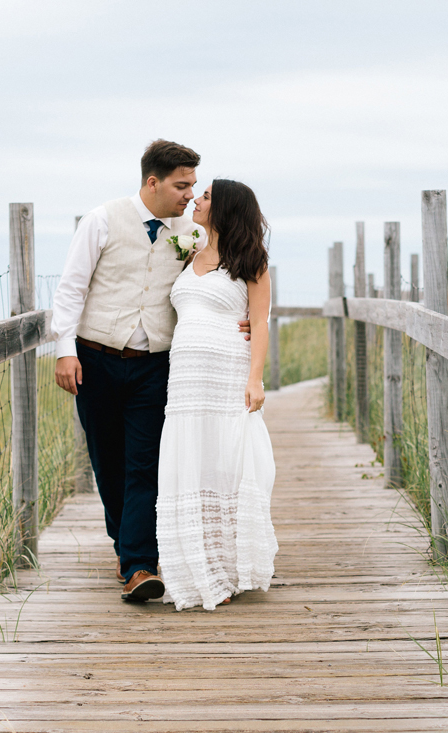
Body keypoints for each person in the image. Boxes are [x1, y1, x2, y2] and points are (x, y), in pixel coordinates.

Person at [51, 140, 249, 602]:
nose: (189, 194)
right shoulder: (101, 220)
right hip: (95, 357)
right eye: (182, 185)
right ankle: (127, 547)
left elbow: (229, 269)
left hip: (156, 365)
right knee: (107, 462)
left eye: (194, 186)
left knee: (145, 464)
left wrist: (240, 318)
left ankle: (140, 564)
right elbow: (71, 289)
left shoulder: (195, 232)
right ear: (152, 182)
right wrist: (65, 350)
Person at [156, 179, 278, 611]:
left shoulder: (251, 261)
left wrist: (255, 378)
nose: (195, 200)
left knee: (224, 460)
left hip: (227, 371)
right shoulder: (188, 253)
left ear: (224, 207)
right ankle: (195, 570)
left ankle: (228, 568)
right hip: (185, 379)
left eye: (205, 196)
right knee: (190, 460)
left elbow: (259, 323)